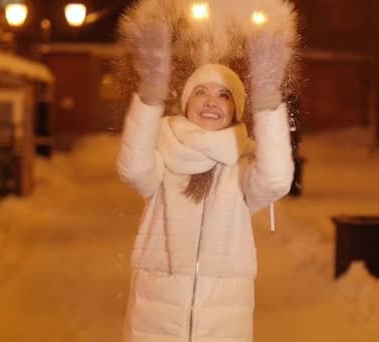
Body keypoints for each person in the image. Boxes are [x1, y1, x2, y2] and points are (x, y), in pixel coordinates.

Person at [116, 19, 294, 342]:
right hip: (154, 326)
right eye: (201, 93)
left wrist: (267, 97)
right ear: (186, 106)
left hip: (223, 329)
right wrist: (151, 93)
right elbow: (132, 167)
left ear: (235, 111)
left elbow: (276, 179)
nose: (211, 101)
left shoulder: (242, 169)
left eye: (223, 95)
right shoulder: (163, 158)